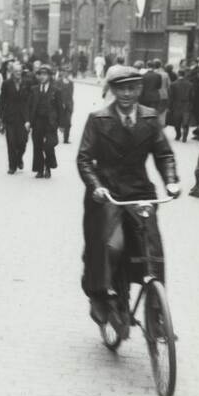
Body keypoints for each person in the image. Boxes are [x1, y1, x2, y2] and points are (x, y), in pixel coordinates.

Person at [76, 66, 180, 333]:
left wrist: (170, 180)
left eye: (132, 88)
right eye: (121, 88)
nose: (126, 94)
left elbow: (164, 154)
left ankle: (156, 315)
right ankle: (102, 295)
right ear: (112, 90)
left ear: (139, 90)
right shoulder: (98, 119)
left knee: (153, 252)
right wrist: (96, 187)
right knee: (112, 246)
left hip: (140, 192)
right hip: (108, 194)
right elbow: (85, 159)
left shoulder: (149, 117)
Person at [27, 64, 63, 178]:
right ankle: (39, 169)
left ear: (49, 76)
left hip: (50, 122)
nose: (42, 77)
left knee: (48, 145)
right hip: (37, 121)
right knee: (37, 145)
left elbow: (60, 108)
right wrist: (28, 121)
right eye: (40, 74)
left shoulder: (56, 90)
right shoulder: (34, 89)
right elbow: (29, 106)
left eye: (45, 74)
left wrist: (61, 124)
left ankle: (48, 166)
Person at [0, 62, 31, 174]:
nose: (18, 73)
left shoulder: (27, 83)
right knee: (11, 142)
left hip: (23, 117)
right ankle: (12, 166)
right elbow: (2, 100)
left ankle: (19, 158)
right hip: (10, 117)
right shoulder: (6, 84)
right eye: (16, 71)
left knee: (23, 141)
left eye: (19, 71)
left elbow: (30, 101)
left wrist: (29, 119)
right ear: (12, 72)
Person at [169, 69, 194, 142]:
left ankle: (178, 134)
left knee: (177, 122)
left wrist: (170, 106)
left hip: (176, 105)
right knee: (185, 122)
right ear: (184, 75)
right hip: (187, 104)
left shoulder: (173, 84)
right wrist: (191, 105)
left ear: (178, 74)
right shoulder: (190, 84)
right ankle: (184, 137)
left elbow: (171, 96)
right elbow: (192, 96)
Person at [56, 65, 74, 144]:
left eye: (68, 72)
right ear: (62, 72)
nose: (66, 74)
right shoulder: (58, 82)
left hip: (68, 105)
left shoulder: (71, 83)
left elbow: (71, 94)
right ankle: (53, 137)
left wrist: (69, 104)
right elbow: (56, 94)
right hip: (59, 105)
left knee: (68, 122)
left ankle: (66, 139)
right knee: (56, 121)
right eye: (65, 72)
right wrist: (60, 103)